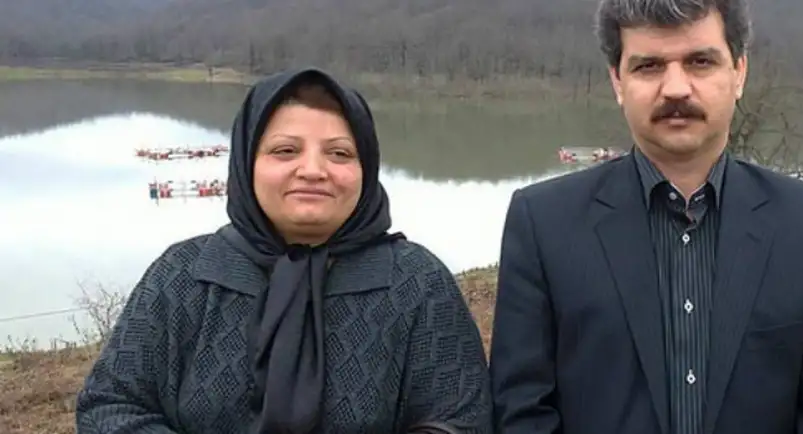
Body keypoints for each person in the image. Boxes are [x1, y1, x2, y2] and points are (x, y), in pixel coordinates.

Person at [488, 0, 803, 433]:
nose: (675, 89)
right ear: (617, 81)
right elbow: (522, 412)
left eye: (700, 62)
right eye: (649, 66)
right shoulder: (543, 224)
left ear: (739, 72)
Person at [76, 67, 492, 434]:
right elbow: (110, 406)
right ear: (247, 163)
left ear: (366, 168)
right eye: (285, 151)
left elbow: (461, 420)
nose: (313, 170)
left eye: (339, 153)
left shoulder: (415, 282)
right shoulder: (184, 274)